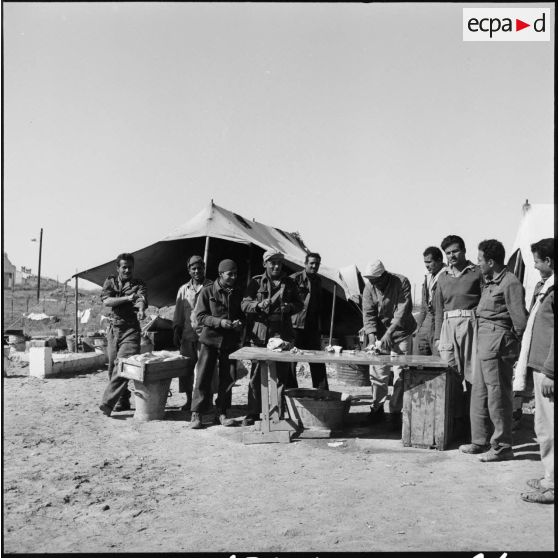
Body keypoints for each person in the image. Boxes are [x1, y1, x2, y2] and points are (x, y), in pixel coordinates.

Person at [460, 239, 527, 462]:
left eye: (480, 260)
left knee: (498, 397)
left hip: (498, 343)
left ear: (490, 261)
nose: (478, 264)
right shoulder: (489, 281)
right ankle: (479, 441)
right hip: (483, 340)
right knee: (479, 393)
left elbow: (519, 322)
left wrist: (513, 350)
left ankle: (502, 447)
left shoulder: (510, 283)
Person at [241, 250, 304, 426]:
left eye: (279, 262)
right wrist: (258, 305)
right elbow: (244, 304)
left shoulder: (290, 283)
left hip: (281, 335)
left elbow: (299, 304)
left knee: (281, 376)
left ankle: (279, 412)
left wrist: (289, 307)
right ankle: (253, 412)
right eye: (272, 262)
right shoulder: (255, 282)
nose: (276, 266)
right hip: (260, 334)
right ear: (265, 264)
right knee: (255, 376)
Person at [516, 238, 554, 503]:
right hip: (541, 366)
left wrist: (551, 371)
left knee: (550, 427)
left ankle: (553, 485)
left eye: (538, 261)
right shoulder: (547, 287)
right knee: (544, 425)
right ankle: (550, 477)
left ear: (549, 261)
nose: (535, 265)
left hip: (549, 369)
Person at [433, 235, 483, 432]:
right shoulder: (442, 277)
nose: (451, 256)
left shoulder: (476, 273)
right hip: (447, 326)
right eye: (448, 253)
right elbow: (438, 309)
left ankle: (474, 426)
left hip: (471, 324)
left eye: (455, 251)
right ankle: (453, 422)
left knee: (473, 376)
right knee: (450, 374)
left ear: (463, 251)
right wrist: (437, 337)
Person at [189, 259, 244, 429]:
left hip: (229, 342)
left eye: (235, 273)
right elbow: (200, 316)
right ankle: (196, 413)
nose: (234, 277)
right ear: (221, 274)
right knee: (203, 376)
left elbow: (242, 313)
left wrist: (239, 323)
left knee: (228, 378)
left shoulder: (238, 292)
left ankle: (221, 412)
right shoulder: (207, 291)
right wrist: (220, 323)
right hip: (210, 340)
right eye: (230, 274)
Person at [362, 260, 416, 429]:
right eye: (370, 280)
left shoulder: (402, 282)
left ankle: (395, 412)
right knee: (378, 374)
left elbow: (402, 311)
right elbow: (368, 314)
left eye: (376, 279)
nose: (373, 283)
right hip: (380, 335)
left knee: (401, 375)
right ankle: (377, 408)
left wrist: (389, 333)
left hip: (401, 334)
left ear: (384, 275)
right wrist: (372, 337)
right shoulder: (369, 288)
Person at [99, 253, 147, 416]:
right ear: (118, 268)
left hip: (131, 330)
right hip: (114, 329)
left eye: (130, 267)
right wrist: (127, 298)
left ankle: (107, 403)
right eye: (124, 267)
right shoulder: (110, 281)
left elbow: (141, 299)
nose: (127, 270)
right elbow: (107, 301)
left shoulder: (138, 283)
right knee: (113, 367)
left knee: (123, 364)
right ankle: (123, 399)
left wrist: (140, 309)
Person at [172, 255, 213, 411]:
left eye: (200, 268)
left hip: (206, 335)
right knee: (187, 371)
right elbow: (178, 312)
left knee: (206, 370)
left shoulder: (211, 286)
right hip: (188, 336)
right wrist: (176, 329)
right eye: (193, 268)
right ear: (189, 270)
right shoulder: (183, 289)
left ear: (204, 268)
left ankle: (207, 401)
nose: (197, 271)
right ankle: (190, 400)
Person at [290, 252, 329, 390]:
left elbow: (319, 305)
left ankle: (322, 393)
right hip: (295, 326)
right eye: (311, 263)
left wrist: (320, 328)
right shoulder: (294, 279)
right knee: (291, 361)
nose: (314, 266)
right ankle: (292, 393)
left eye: (317, 264)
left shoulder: (318, 281)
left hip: (312, 327)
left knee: (317, 360)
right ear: (305, 263)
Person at [415, 246, 446, 356]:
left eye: (429, 262)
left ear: (439, 260)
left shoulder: (448, 275)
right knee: (419, 356)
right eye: (425, 262)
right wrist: (418, 327)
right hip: (427, 320)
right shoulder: (427, 277)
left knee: (438, 358)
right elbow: (424, 306)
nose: (427, 265)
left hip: (441, 320)